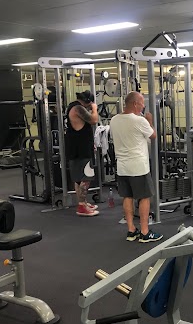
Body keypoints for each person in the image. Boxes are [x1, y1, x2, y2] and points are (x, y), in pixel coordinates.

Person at [109, 91, 163, 243]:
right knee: (144, 197)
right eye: (141, 103)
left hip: (122, 167)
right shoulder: (140, 121)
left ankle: (131, 230)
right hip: (138, 167)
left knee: (128, 197)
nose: (143, 106)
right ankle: (145, 232)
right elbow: (153, 135)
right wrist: (150, 121)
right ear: (134, 104)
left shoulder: (114, 120)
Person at [65, 90, 99, 217]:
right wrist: (94, 109)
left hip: (77, 147)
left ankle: (82, 203)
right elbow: (94, 120)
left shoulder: (72, 107)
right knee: (86, 177)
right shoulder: (78, 108)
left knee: (79, 178)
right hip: (81, 149)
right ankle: (81, 205)